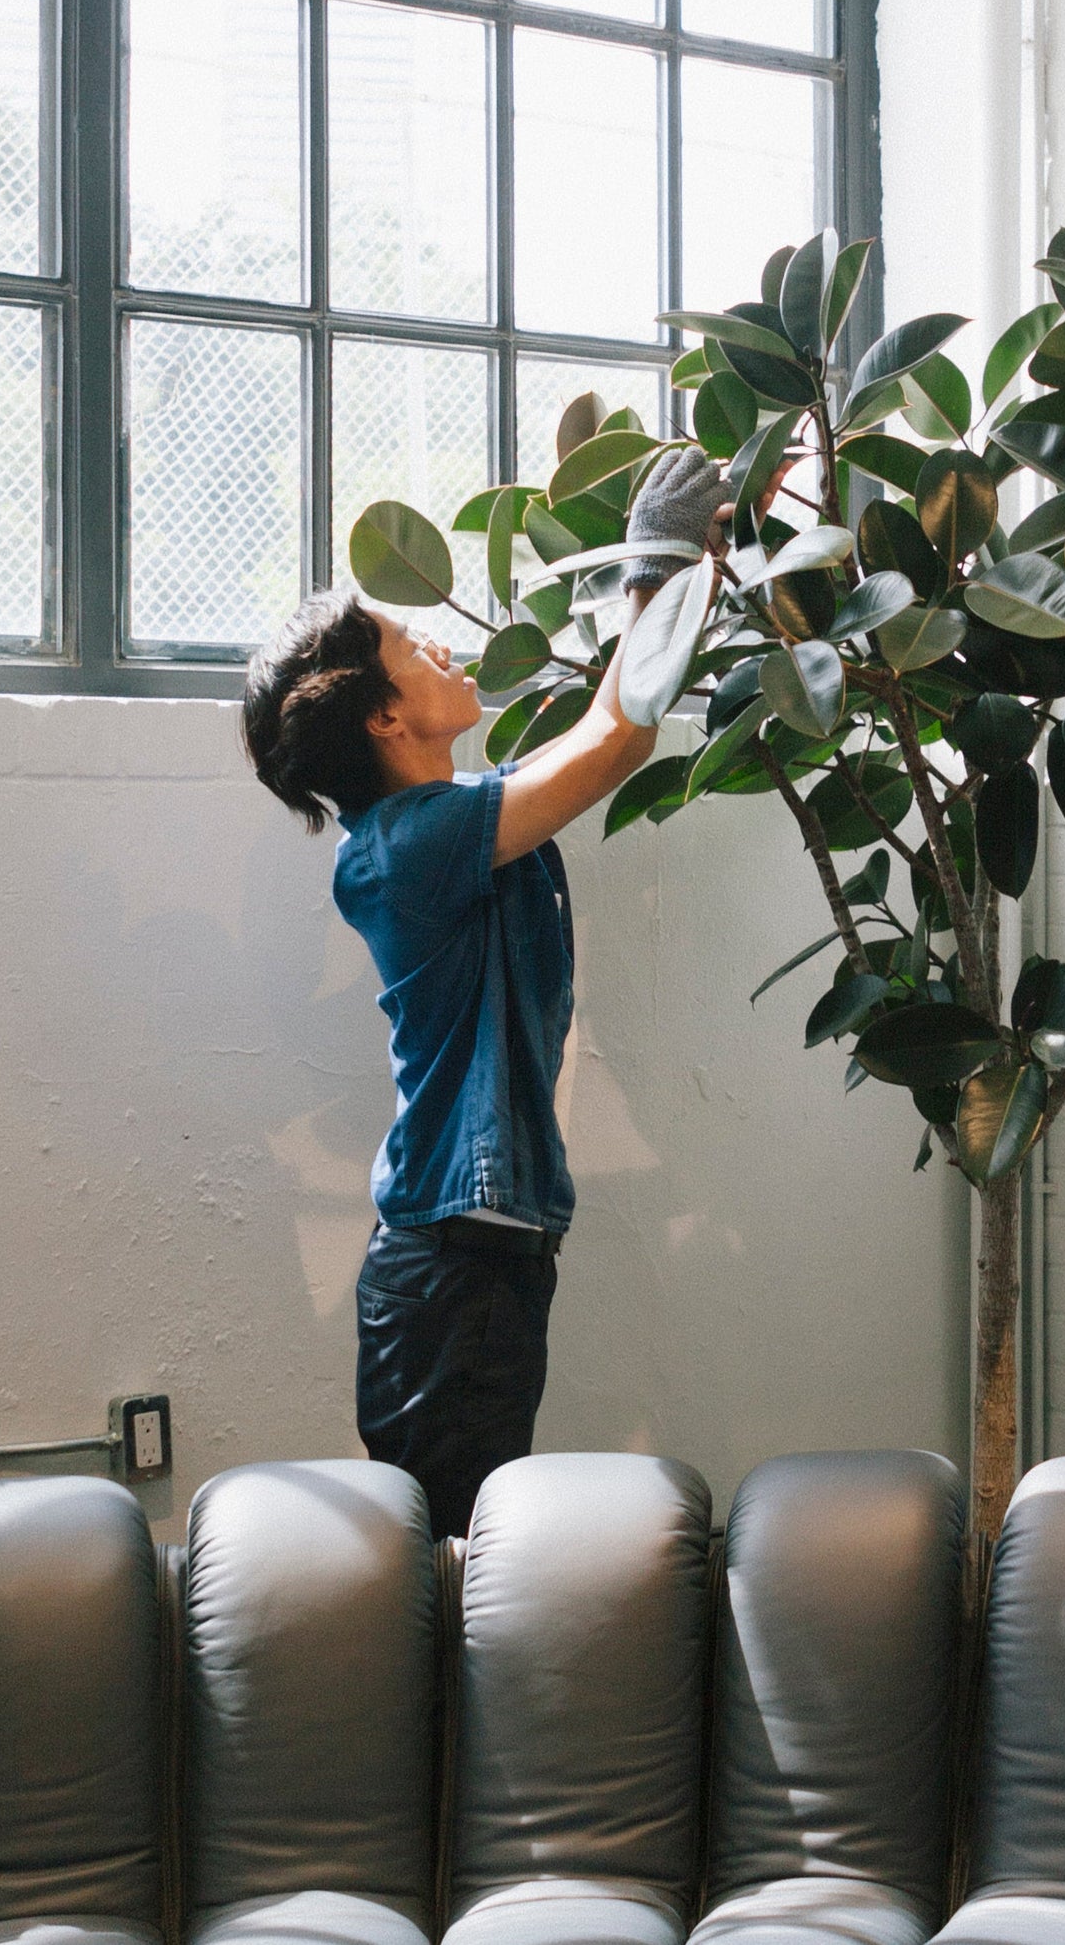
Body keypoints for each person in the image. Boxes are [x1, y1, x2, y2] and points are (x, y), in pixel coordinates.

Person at [240, 447, 728, 1537]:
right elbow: (613, 734)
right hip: (448, 1271)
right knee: (452, 1564)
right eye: (413, 645)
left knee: (464, 1558)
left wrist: (681, 582)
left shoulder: (458, 817)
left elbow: (598, 727)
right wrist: (653, 561)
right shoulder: (407, 846)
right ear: (380, 715)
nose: (442, 640)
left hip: (474, 1257)